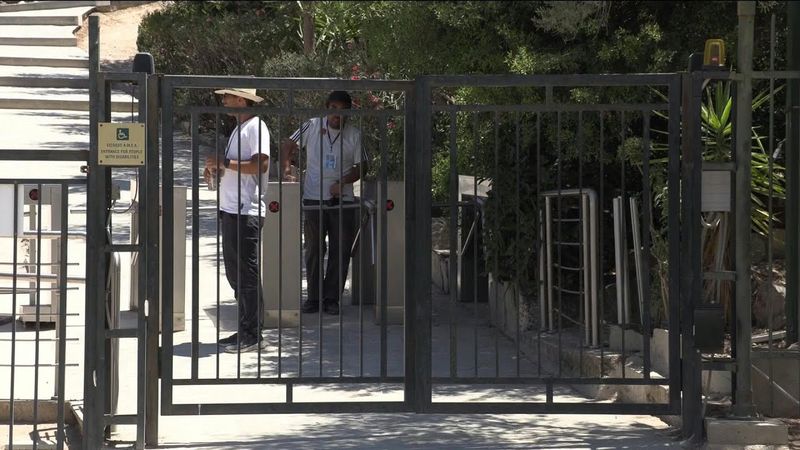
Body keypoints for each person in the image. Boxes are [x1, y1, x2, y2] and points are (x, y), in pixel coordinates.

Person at [281, 91, 367, 315]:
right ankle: (313, 297)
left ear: (348, 112)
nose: (336, 114)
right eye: (333, 108)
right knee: (314, 249)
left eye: (342, 109)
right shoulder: (311, 125)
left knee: (341, 250)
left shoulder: (354, 135)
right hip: (313, 197)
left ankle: (331, 299)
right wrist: (287, 169)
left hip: (342, 200)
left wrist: (344, 181)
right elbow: (288, 144)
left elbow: (362, 167)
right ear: (327, 107)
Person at [205, 87, 270, 352]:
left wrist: (225, 162)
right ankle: (245, 328)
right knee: (237, 275)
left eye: (228, 97)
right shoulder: (239, 129)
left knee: (247, 273)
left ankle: (253, 334)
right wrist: (217, 170)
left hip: (246, 211)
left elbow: (261, 165)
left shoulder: (256, 126)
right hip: (232, 210)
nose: (224, 101)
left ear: (241, 100)